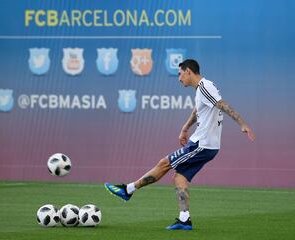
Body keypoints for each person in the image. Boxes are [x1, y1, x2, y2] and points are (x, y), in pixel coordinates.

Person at [104, 59, 255, 230]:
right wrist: (185, 128)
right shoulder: (201, 89)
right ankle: (185, 220)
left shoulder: (205, 86)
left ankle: (128, 190)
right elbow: (198, 110)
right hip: (206, 145)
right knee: (179, 177)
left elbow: (223, 105)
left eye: (180, 74)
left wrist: (243, 124)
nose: (179, 78)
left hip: (202, 144)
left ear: (188, 71)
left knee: (164, 163)